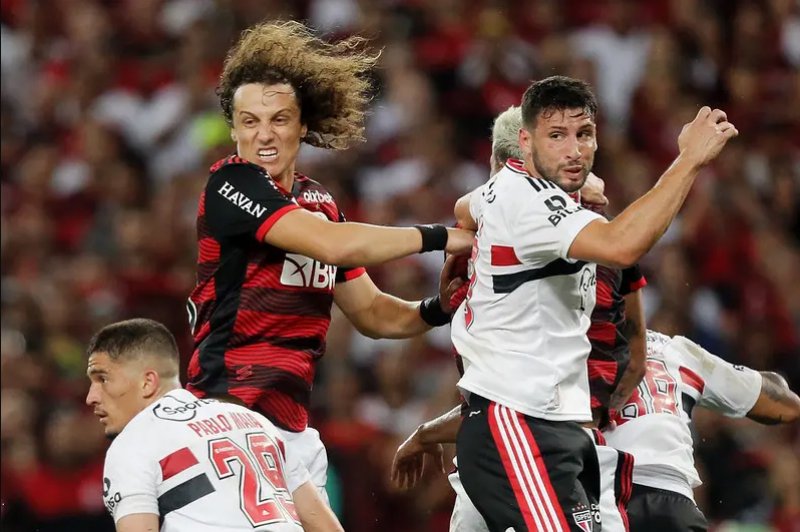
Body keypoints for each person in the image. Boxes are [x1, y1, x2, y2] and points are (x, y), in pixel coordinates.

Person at [186, 20, 472, 501]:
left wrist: (437, 308)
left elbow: (374, 314)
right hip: (225, 414)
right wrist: (443, 237)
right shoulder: (229, 185)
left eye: (279, 119)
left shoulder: (320, 203)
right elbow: (334, 246)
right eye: (249, 122)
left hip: (293, 430)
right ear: (233, 129)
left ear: (303, 124)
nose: (264, 135)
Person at [450, 75, 737, 531]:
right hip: (517, 422)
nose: (574, 150)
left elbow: (466, 207)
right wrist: (689, 160)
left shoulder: (515, 192)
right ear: (525, 143)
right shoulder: (526, 201)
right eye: (556, 136)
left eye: (583, 135)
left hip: (560, 427)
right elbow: (622, 247)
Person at [391, 105, 643, 532]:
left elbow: (517, 397)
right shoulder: (604, 243)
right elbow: (632, 358)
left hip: (539, 445)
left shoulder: (514, 259)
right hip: (560, 442)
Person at [85, 318, 343, 532]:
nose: (91, 397)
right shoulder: (251, 419)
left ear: (147, 382)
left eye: (103, 379)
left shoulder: (134, 442)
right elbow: (325, 526)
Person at [602, 330, 800, 531]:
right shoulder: (677, 352)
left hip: (609, 502)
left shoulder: (578, 347)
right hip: (676, 508)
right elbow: (784, 405)